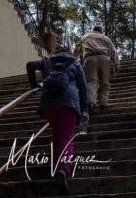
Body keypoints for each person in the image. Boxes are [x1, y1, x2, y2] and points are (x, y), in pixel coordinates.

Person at [26, 45, 88, 194]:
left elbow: (30, 65)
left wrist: (35, 85)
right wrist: (85, 109)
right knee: (66, 138)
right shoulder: (75, 63)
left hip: (48, 104)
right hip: (68, 103)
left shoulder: (48, 61)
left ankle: (57, 165)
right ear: (69, 52)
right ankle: (63, 170)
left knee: (57, 134)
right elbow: (83, 87)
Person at [76, 25, 119, 114]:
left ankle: (91, 103)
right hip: (104, 58)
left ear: (93, 30)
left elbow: (76, 51)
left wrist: (74, 62)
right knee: (105, 83)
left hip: (89, 59)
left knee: (91, 82)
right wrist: (116, 66)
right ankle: (103, 103)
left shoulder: (85, 37)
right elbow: (113, 52)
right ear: (101, 31)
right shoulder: (105, 38)